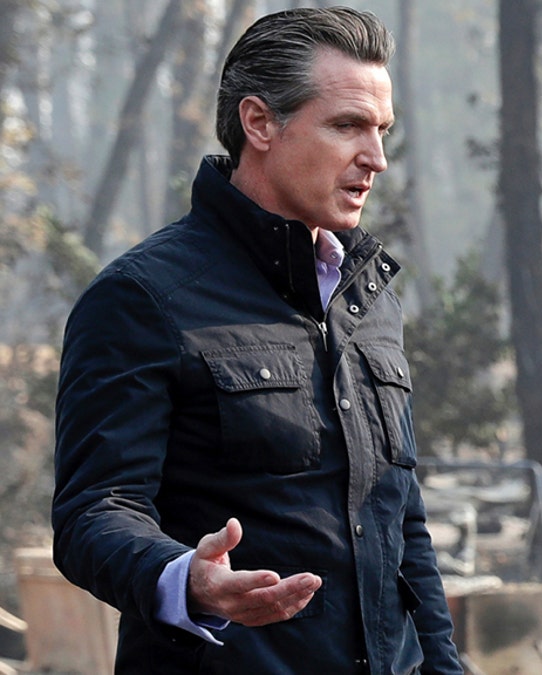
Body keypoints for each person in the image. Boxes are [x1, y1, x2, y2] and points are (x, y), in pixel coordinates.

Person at [52, 7, 463, 673]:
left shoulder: (371, 299)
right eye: (347, 126)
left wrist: (446, 666)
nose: (377, 158)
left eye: (382, 130)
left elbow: (402, 522)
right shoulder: (141, 298)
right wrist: (185, 578)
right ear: (260, 122)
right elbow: (92, 512)